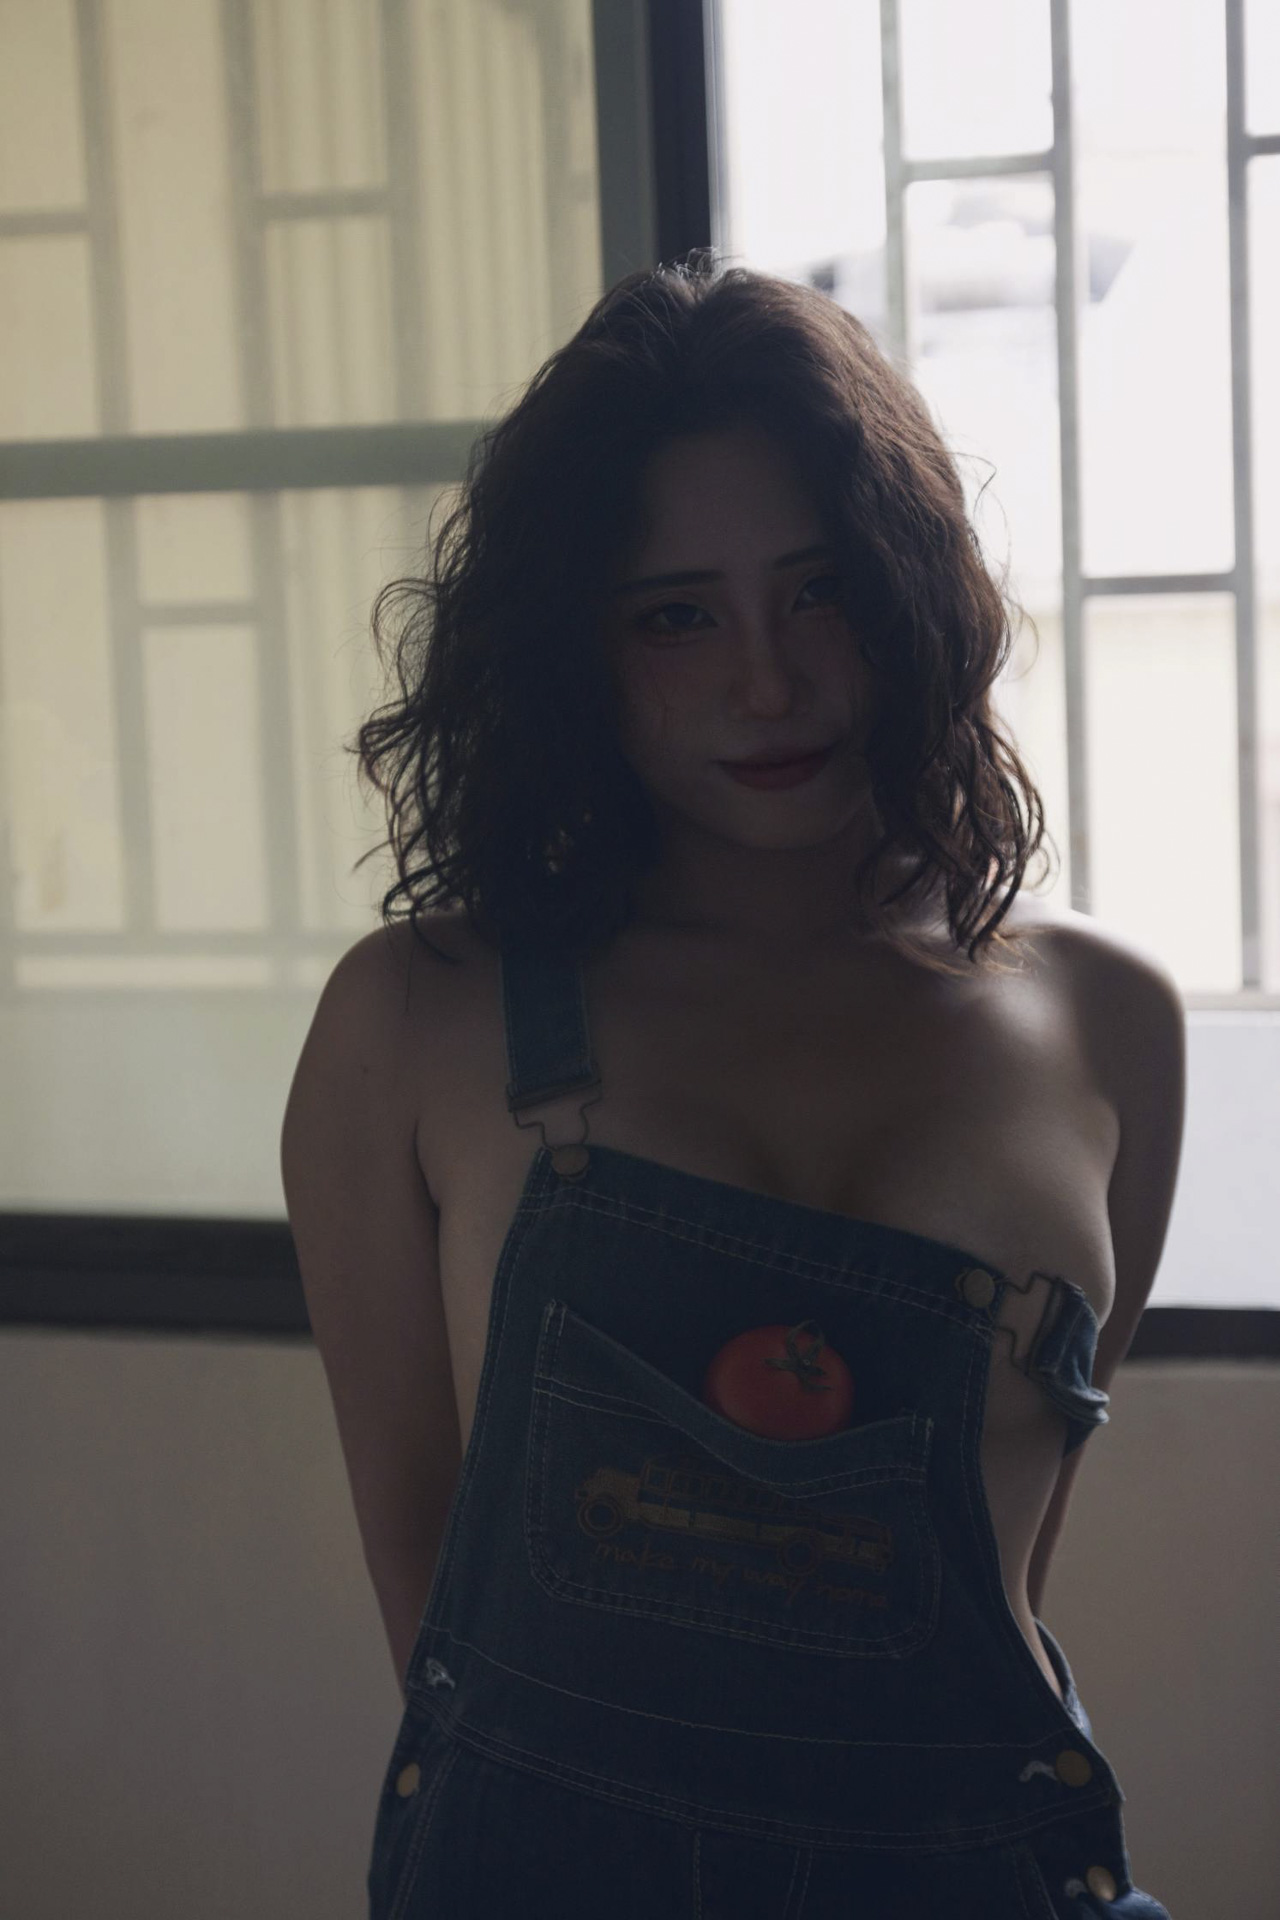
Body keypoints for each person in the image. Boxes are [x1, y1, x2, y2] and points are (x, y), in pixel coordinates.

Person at [280, 254, 1184, 1918]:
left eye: (820, 590)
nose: (766, 681)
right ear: (573, 648)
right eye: (676, 615)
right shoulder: (415, 1020)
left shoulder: (1107, 1024)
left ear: (909, 595)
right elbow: (442, 1634)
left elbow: (1003, 1600)